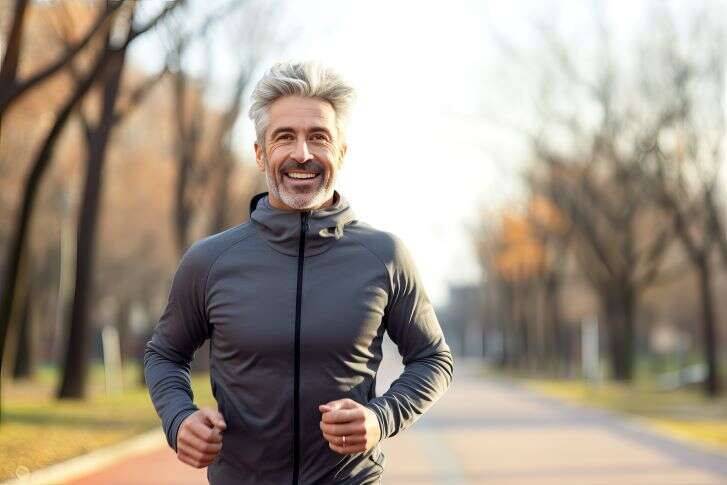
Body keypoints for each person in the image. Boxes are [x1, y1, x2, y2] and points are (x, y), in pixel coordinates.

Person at [144, 60, 454, 485]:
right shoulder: (210, 260)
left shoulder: (384, 256)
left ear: (341, 152)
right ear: (260, 153)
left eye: (319, 137)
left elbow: (433, 358)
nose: (302, 154)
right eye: (284, 137)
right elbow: (164, 354)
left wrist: (381, 418)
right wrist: (179, 419)